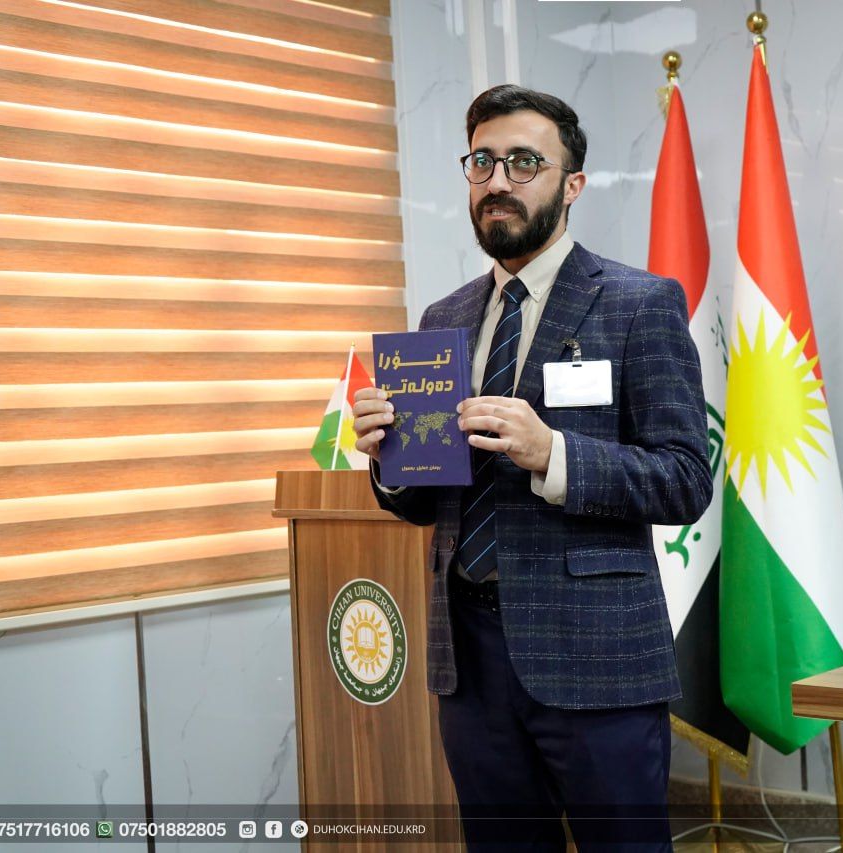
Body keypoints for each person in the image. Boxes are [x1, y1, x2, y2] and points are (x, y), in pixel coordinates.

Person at [352, 85, 711, 851]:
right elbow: (430, 500)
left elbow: (685, 478)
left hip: (597, 658)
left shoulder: (640, 304)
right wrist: (389, 463)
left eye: (523, 162)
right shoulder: (443, 319)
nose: (498, 181)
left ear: (572, 184)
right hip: (470, 661)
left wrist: (555, 453)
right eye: (482, 162)